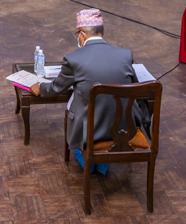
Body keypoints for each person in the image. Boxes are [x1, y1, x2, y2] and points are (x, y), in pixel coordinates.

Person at [30, 9, 146, 174]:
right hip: (124, 128)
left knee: (75, 99)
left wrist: (40, 87)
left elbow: (56, 88)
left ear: (82, 34)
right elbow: (135, 87)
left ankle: (87, 159)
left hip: (90, 130)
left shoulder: (73, 59)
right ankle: (103, 164)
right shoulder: (125, 55)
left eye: (77, 35)